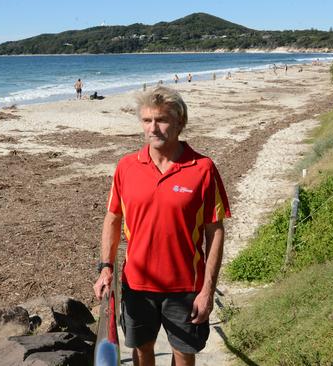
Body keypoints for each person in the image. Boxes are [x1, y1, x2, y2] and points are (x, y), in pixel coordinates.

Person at [93, 86, 230, 366]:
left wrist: (207, 290)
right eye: (146, 121)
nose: (153, 128)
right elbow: (113, 218)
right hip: (137, 284)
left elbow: (214, 231)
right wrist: (105, 267)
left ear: (180, 123)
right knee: (142, 350)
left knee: (183, 353)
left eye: (161, 120)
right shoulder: (126, 167)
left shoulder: (203, 169)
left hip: (185, 286)